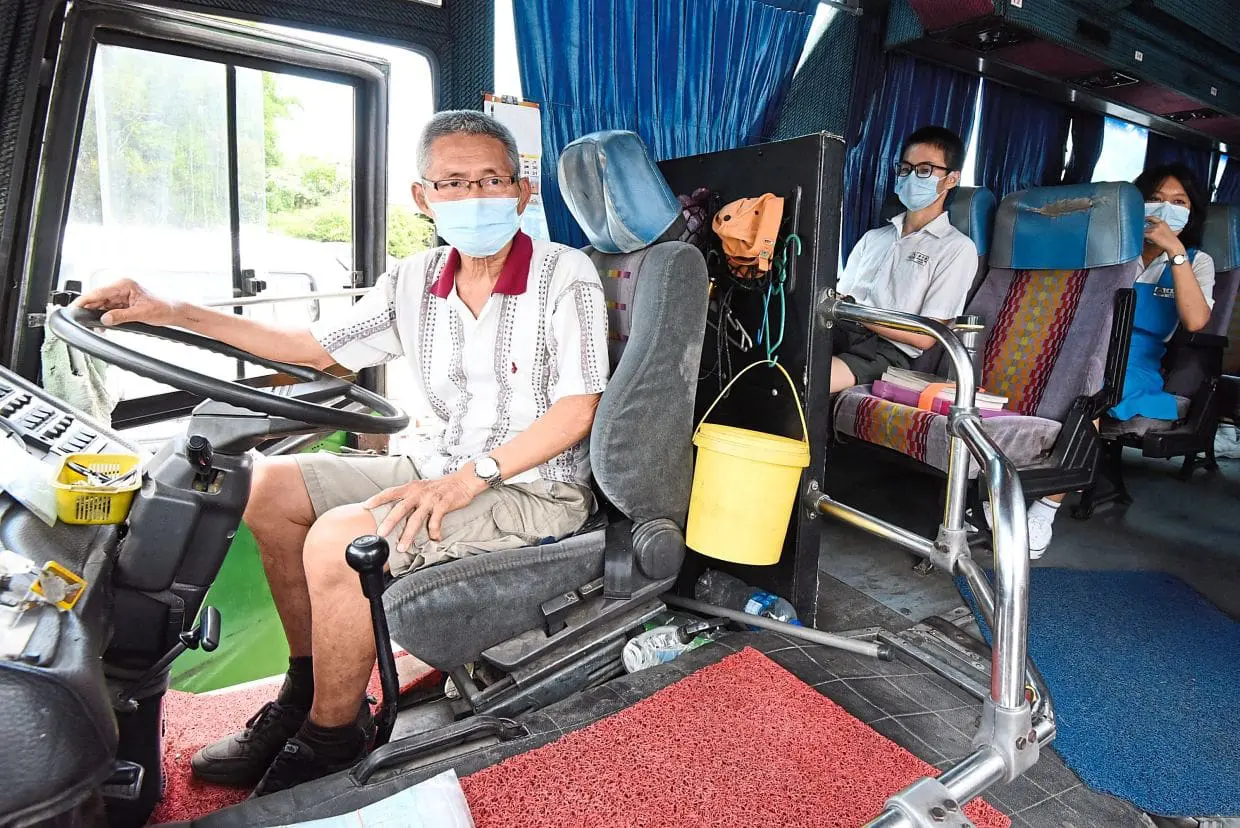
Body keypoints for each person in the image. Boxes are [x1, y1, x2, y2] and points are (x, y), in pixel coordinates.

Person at [75, 110, 610, 795]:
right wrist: (171, 310)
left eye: (490, 180)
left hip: (534, 487)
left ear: (521, 191)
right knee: (267, 488)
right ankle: (308, 693)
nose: (474, 197)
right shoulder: (414, 279)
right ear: (424, 198)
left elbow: (577, 409)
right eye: (452, 183)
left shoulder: (567, 277)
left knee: (338, 537)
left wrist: (472, 479)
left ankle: (335, 737)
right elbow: (315, 351)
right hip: (436, 462)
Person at [992, 163, 1216, 558]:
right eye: (1156, 200)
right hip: (1083, 342)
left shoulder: (1196, 261)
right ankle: (1003, 484)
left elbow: (1197, 320)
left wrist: (1174, 252)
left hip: (1135, 363)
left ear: (1191, 213)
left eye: (1178, 203)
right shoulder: (1114, 248)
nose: (1166, 209)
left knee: (1087, 389)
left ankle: (1045, 507)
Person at [830, 125, 979, 393]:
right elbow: (840, 298)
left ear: (951, 179)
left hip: (886, 353)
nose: (912, 177)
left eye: (925, 170)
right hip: (839, 331)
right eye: (906, 169)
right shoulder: (873, 238)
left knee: (803, 378)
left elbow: (924, 337)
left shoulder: (956, 248)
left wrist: (859, 314)